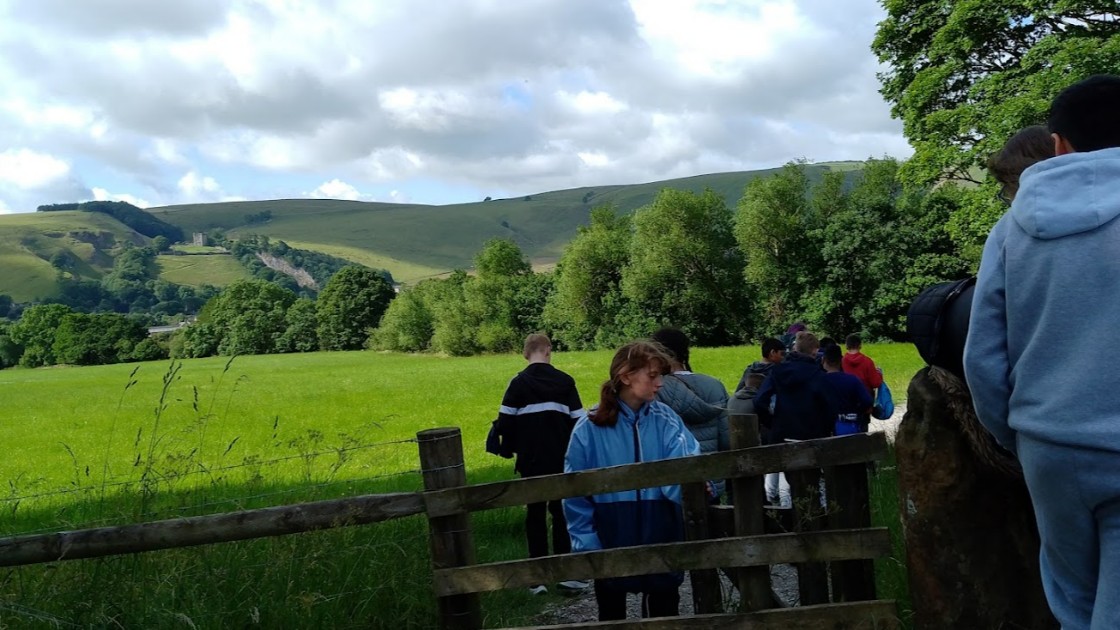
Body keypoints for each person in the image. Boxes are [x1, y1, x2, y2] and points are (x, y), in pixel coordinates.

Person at [964, 74, 1120, 629]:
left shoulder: (1011, 229)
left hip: (1049, 447)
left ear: (1058, 144)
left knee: (1073, 603)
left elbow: (981, 357)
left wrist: (1019, 435)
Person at [563, 340, 701, 620]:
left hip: (661, 535)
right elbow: (574, 492)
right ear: (626, 377)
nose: (660, 383)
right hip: (610, 538)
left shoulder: (667, 420)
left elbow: (687, 471)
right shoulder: (588, 428)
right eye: (653, 375)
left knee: (663, 617)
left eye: (661, 375)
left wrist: (698, 489)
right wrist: (587, 544)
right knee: (611, 617)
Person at [491, 333, 588, 594]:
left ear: (526, 353)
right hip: (560, 458)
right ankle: (566, 573)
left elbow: (505, 423)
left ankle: (537, 579)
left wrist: (510, 449)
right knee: (561, 513)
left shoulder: (518, 383)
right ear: (547, 350)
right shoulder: (565, 381)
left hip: (531, 461)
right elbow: (578, 422)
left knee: (534, 514)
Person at [650, 328, 730, 501]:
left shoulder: (655, 389)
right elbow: (727, 439)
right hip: (711, 479)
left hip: (670, 482)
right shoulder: (714, 385)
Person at [754, 331, 838, 444]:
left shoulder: (777, 371)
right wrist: (825, 428)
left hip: (781, 435)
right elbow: (831, 407)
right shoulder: (819, 376)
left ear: (795, 348)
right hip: (813, 437)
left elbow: (759, 401)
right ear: (814, 351)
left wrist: (772, 423)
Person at [822, 344, 872, 434]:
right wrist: (856, 411)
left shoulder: (819, 381)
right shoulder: (852, 380)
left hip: (825, 428)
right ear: (841, 360)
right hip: (848, 426)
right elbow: (867, 401)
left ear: (823, 360)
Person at [841, 333, 882, 399]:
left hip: (847, 397)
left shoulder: (842, 361)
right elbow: (875, 383)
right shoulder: (867, 361)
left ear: (846, 345)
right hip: (865, 398)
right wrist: (879, 374)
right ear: (860, 345)